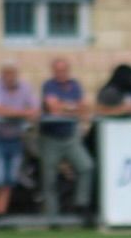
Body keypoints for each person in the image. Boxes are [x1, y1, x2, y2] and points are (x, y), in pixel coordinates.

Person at [39, 56, 95, 222]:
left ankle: (81, 204)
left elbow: (84, 108)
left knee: (86, 166)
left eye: (64, 70)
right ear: (53, 71)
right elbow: (53, 108)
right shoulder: (49, 85)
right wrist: (72, 108)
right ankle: (52, 217)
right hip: (50, 138)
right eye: (58, 70)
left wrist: (66, 107)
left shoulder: (75, 85)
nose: (61, 73)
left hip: (70, 137)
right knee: (49, 178)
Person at [0, 62, 37, 216]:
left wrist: (16, 113)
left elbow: (34, 109)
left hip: (15, 138)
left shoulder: (25, 87)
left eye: (12, 73)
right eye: (6, 73)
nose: (9, 77)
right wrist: (22, 113)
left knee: (9, 180)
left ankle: (0, 214)